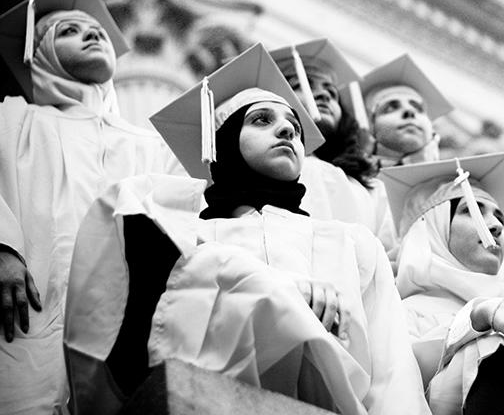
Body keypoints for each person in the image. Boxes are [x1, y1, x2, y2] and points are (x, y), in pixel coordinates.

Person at [64, 43, 430, 415]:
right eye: (261, 120)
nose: (287, 128)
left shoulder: (352, 245)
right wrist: (271, 291)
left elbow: (392, 371)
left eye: (294, 127)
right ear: (222, 141)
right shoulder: (183, 232)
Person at [0, 0, 182, 415]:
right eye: (69, 31)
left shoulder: (148, 146)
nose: (90, 36)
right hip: (30, 290)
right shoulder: (13, 118)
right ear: (39, 54)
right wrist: (2, 247)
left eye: (98, 31)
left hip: (116, 310)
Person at [381, 154, 504, 414]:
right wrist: (477, 319)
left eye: (501, 219)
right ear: (433, 231)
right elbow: (403, 388)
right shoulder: (400, 310)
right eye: (471, 211)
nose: (494, 226)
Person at [270, 39, 399, 264]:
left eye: (331, 91)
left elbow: (387, 259)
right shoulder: (253, 167)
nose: (324, 96)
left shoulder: (369, 188)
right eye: (302, 84)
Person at [361, 55, 452, 168]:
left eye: (418, 109)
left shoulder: (458, 182)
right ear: (370, 127)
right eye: (389, 108)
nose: (409, 111)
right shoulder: (343, 179)